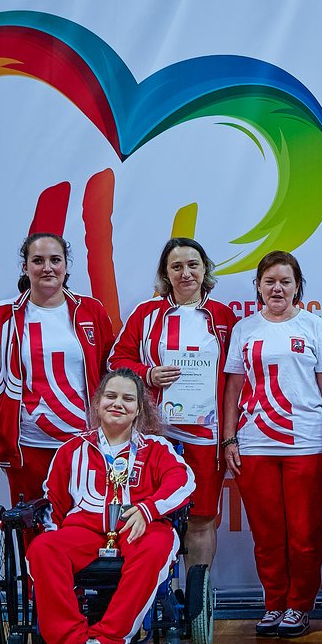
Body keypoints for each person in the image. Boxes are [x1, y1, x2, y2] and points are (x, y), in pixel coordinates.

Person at [28, 369, 195, 644]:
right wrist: (56, 533)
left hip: (139, 525)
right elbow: (54, 501)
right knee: (43, 548)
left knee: (157, 546)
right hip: (86, 529)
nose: (118, 403)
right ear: (97, 402)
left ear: (139, 408)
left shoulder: (156, 447)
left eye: (128, 398)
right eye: (111, 396)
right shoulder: (72, 449)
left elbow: (182, 482)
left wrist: (148, 509)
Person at [221, 251, 322, 639]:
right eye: (269, 281)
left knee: (304, 534)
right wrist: (229, 438)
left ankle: (299, 606)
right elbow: (233, 388)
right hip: (254, 443)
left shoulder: (315, 327)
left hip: (306, 443)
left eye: (285, 282)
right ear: (257, 286)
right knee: (267, 534)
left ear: (297, 286)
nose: (277, 288)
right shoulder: (244, 329)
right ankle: (274, 603)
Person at [0, 232, 114, 507]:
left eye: (55, 260)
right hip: (26, 445)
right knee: (29, 523)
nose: (47, 267)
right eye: (38, 261)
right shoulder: (1, 315)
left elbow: (110, 367)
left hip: (83, 439)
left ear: (66, 265)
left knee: (83, 520)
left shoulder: (91, 310)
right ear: (25, 267)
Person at [110, 237, 236, 578]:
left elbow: (236, 377)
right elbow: (116, 360)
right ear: (166, 273)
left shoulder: (223, 316)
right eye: (176, 267)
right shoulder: (146, 313)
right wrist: (147, 373)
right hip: (155, 434)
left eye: (193, 265)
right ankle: (154, 591)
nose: (186, 273)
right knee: (150, 513)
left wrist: (229, 434)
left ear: (205, 269)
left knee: (202, 516)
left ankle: (197, 596)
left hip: (206, 436)